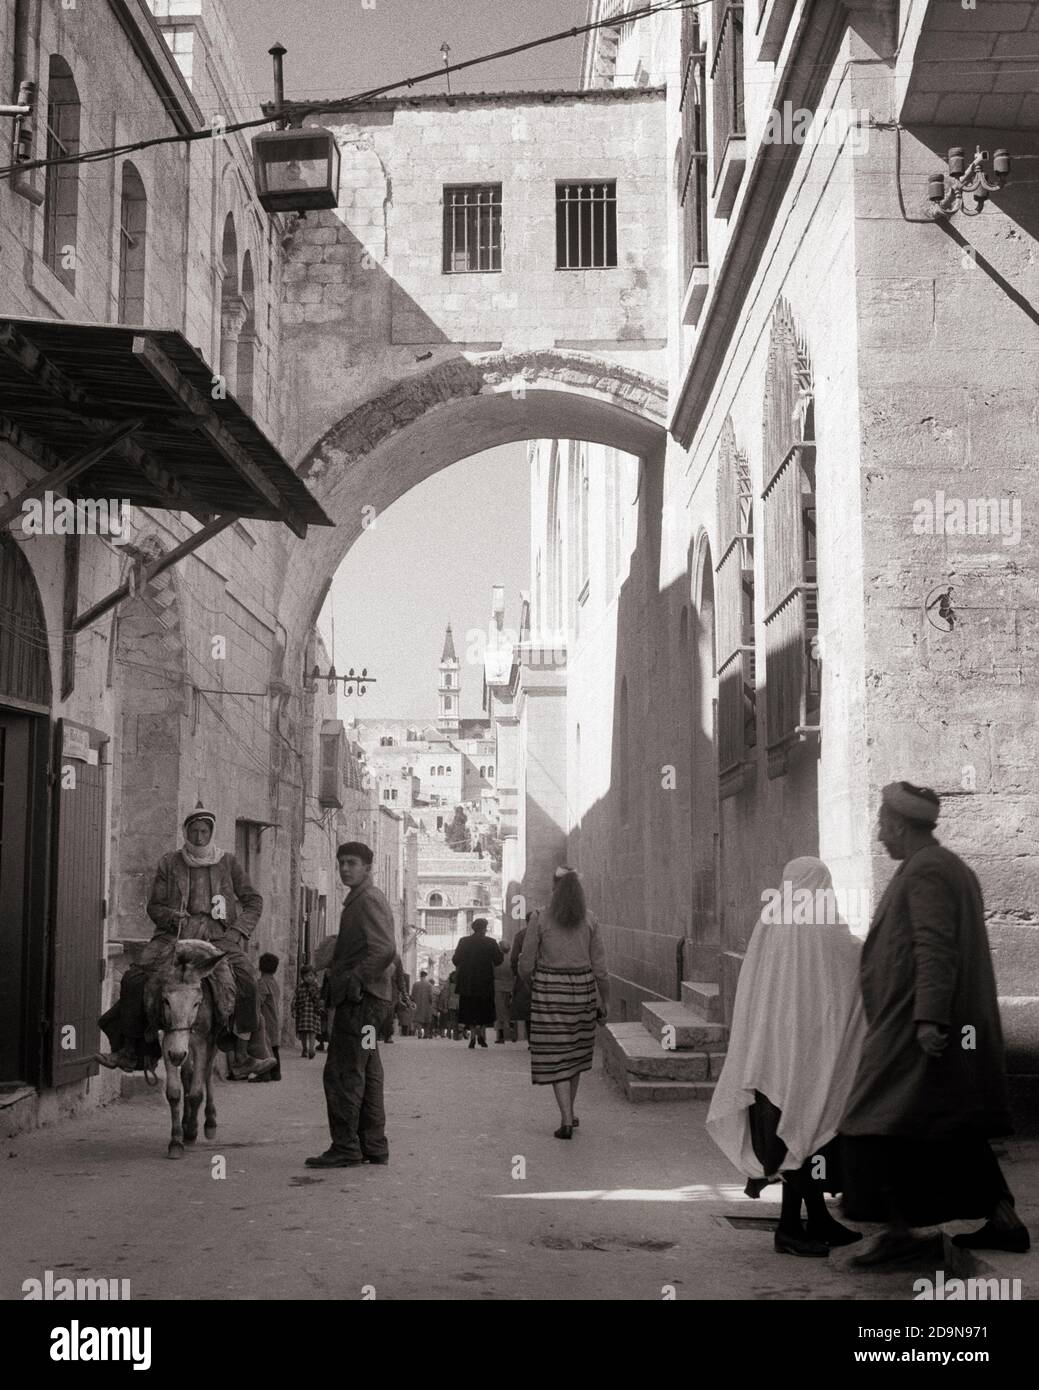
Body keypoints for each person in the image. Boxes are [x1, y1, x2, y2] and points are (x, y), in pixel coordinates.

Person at [840, 782, 1030, 1264]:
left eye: (883, 824)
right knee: (949, 1124)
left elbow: (935, 946)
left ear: (900, 824)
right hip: (928, 1022)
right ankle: (1000, 1218)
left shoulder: (927, 870)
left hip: (917, 1025)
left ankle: (898, 1229)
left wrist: (928, 1019)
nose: (880, 835)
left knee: (872, 1121)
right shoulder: (940, 866)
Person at [706, 857, 867, 1256]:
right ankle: (791, 1229)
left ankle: (809, 1220)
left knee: (794, 1135)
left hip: (771, 1053)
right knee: (803, 1133)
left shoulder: (771, 919)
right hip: (808, 1051)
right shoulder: (824, 924)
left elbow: (755, 984)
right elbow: (852, 964)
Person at [95, 805, 275, 1080]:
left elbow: (254, 901)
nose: (200, 836)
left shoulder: (228, 863)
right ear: (186, 832)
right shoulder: (170, 863)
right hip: (174, 935)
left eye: (204, 831)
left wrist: (238, 931)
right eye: (194, 831)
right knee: (133, 979)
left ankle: (241, 1054)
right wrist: (170, 916)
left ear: (211, 832)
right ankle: (130, 1049)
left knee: (248, 978)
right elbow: (154, 906)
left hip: (218, 936)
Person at [306, 841, 396, 1168]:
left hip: (361, 1003)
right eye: (342, 862)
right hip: (372, 1004)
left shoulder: (367, 900)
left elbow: (385, 949)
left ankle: (345, 1147)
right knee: (368, 1070)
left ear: (368, 868)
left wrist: (356, 979)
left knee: (343, 1072)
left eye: (352, 863)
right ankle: (373, 1145)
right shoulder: (361, 899)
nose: (345, 868)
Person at [518, 867, 608, 1138]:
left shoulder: (539, 918)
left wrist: (535, 984)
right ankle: (570, 1113)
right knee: (576, 1054)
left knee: (556, 1054)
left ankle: (566, 1118)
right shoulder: (590, 920)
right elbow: (601, 969)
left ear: (553, 888)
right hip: (582, 992)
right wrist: (605, 1000)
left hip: (549, 992)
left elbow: (524, 964)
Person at [452, 919, 503, 1049]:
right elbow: (498, 961)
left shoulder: (464, 942)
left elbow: (455, 960)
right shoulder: (491, 942)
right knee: (484, 1010)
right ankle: (481, 1033)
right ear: (485, 928)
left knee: (470, 1009)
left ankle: (473, 1035)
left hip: (468, 983)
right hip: (485, 983)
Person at [251, 953, 282, 1083]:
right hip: (274, 1018)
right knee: (273, 1047)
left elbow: (259, 1002)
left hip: (266, 1019)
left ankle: (265, 1074)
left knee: (264, 1046)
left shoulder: (262, 983)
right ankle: (276, 1072)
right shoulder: (274, 983)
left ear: (260, 966)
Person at [292, 965, 322, 1059]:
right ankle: (304, 1048)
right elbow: (295, 999)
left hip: (313, 1012)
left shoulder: (317, 987)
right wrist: (293, 1009)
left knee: (313, 1031)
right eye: (306, 976)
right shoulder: (299, 988)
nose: (309, 978)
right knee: (303, 1033)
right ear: (303, 977)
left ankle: (311, 1049)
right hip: (303, 1012)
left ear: (315, 976)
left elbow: (320, 999)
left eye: (311, 975)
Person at [493, 954, 515, 1043]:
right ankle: (512, 1034)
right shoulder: (511, 959)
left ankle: (501, 1036)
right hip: (510, 986)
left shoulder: (496, 960)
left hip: (498, 986)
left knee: (499, 1012)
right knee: (510, 1010)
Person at [411, 970, 434, 1039]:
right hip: (426, 1005)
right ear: (425, 976)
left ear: (420, 976)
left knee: (418, 1020)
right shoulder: (429, 985)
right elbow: (430, 996)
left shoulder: (415, 984)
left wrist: (414, 1001)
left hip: (418, 1004)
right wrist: (431, 1002)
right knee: (427, 1020)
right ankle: (426, 1034)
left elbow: (412, 995)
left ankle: (420, 1033)